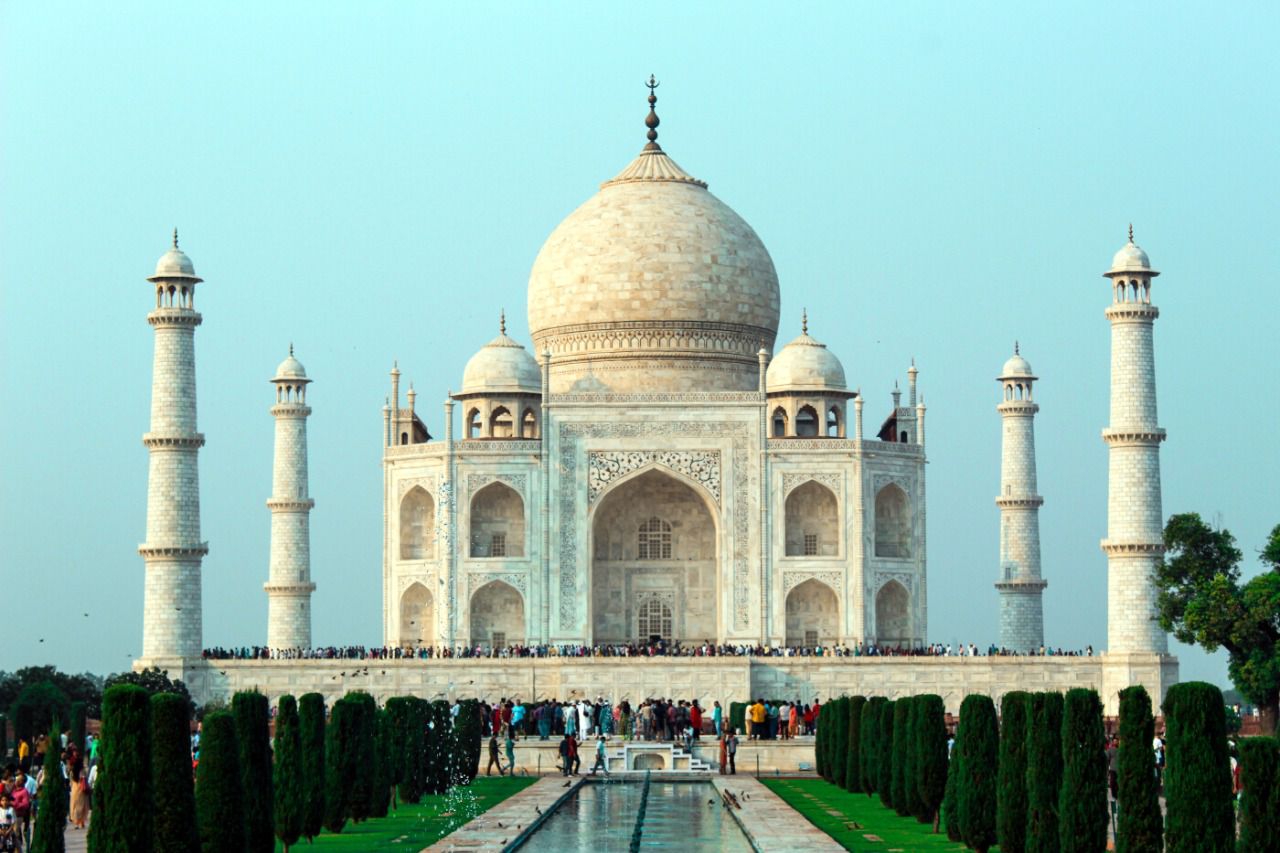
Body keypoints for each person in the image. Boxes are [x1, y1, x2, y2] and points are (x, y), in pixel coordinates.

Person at [68, 764, 89, 830]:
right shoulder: (83, 770)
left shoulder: (72, 771)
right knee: (83, 806)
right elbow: (85, 779)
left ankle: (76, 823)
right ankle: (81, 822)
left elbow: (71, 782)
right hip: (82, 789)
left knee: (75, 806)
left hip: (75, 789)